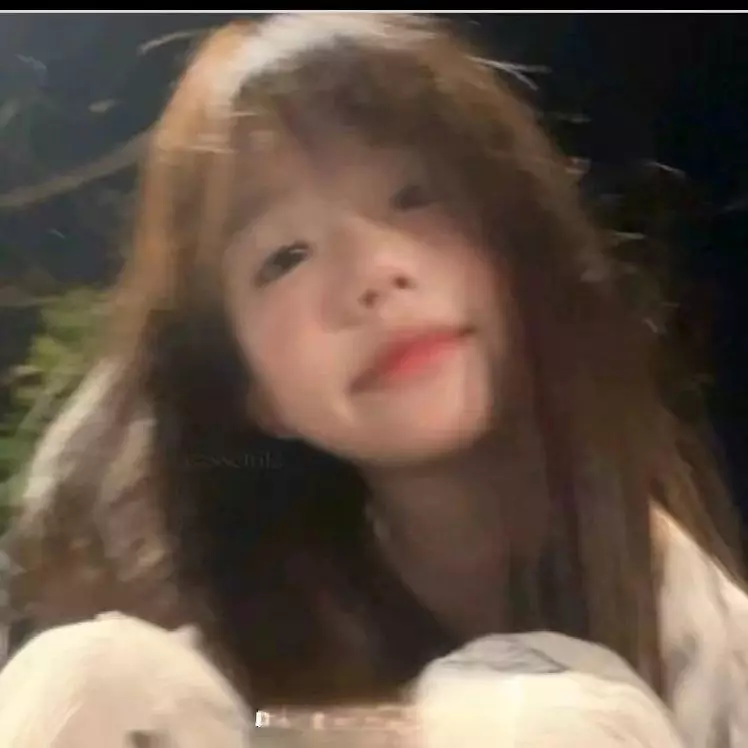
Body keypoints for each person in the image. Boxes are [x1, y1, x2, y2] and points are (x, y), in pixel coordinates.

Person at [1, 12, 746, 747]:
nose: (371, 273)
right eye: (285, 256)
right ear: (253, 389)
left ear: (520, 247)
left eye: (414, 196)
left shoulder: (693, 632)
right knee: (87, 677)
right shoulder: (199, 669)